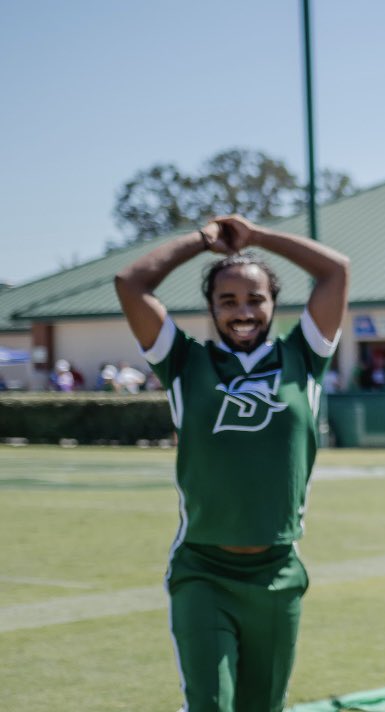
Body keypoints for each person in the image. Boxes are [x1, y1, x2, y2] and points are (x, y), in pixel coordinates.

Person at [114, 214, 349, 712]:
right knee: (210, 706)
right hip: (204, 572)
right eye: (228, 301)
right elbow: (130, 283)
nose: (243, 311)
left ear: (272, 304)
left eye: (255, 299)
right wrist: (204, 241)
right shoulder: (184, 362)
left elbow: (336, 271)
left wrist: (258, 237)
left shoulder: (303, 357)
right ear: (211, 308)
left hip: (277, 573)